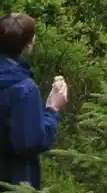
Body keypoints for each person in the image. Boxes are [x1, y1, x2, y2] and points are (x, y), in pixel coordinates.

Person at [0, 13, 68, 189]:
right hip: (13, 181)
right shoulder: (23, 89)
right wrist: (52, 109)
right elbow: (30, 143)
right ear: (28, 44)